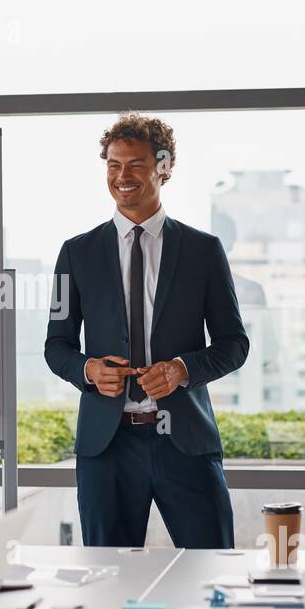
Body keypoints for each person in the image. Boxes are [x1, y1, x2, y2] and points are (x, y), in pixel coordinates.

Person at [44, 112, 249, 548]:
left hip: (186, 442)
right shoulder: (76, 254)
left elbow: (235, 344)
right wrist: (88, 370)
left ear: (163, 167)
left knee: (211, 567)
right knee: (108, 580)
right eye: (113, 165)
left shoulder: (203, 251)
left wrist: (183, 368)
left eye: (135, 164)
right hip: (107, 448)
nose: (122, 176)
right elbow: (56, 346)